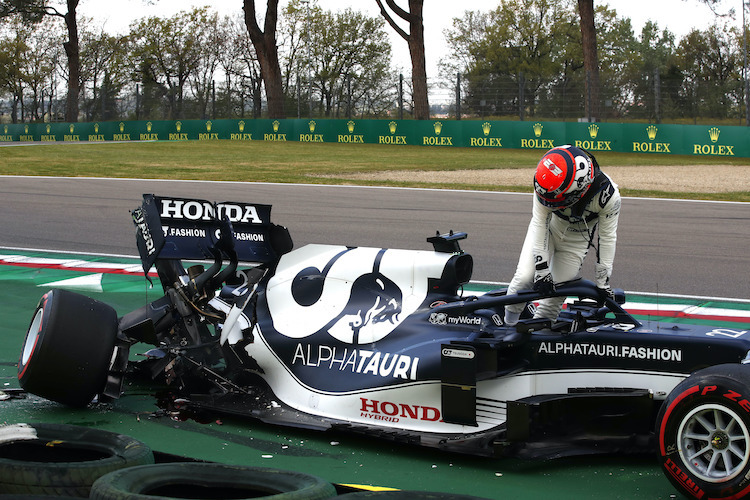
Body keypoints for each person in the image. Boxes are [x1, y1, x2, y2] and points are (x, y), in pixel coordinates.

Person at [503, 145, 621, 326]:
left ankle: (538, 340)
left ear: (581, 189)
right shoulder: (546, 182)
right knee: (524, 278)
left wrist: (603, 282)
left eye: (559, 200)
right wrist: (542, 269)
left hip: (576, 242)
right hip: (546, 229)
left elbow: (607, 238)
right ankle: (507, 325)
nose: (549, 203)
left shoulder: (608, 196)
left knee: (554, 299)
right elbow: (539, 222)